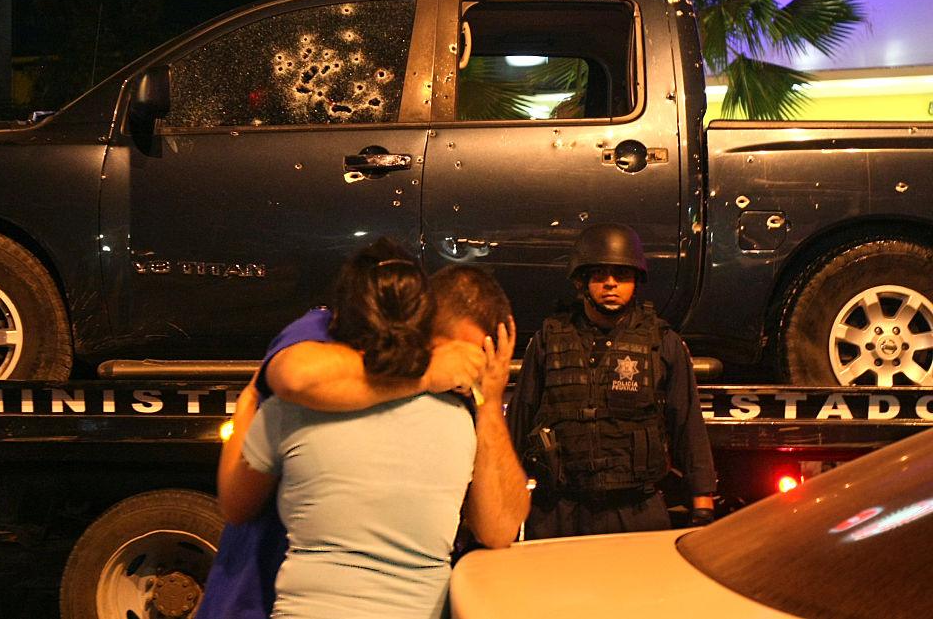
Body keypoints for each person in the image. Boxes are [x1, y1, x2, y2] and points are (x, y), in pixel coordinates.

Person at [205, 240, 528, 618]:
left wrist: (489, 400)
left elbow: (500, 528)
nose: (462, 375)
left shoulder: (463, 418)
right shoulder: (316, 340)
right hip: (262, 586)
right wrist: (426, 374)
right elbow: (294, 375)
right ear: (420, 328)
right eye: (454, 356)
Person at [507, 222, 715, 539]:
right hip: (559, 510)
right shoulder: (548, 340)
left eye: (622, 275)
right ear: (582, 280)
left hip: (635, 509)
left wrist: (702, 505)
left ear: (636, 282)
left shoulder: (662, 342)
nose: (611, 284)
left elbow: (687, 426)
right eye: (600, 275)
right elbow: (519, 424)